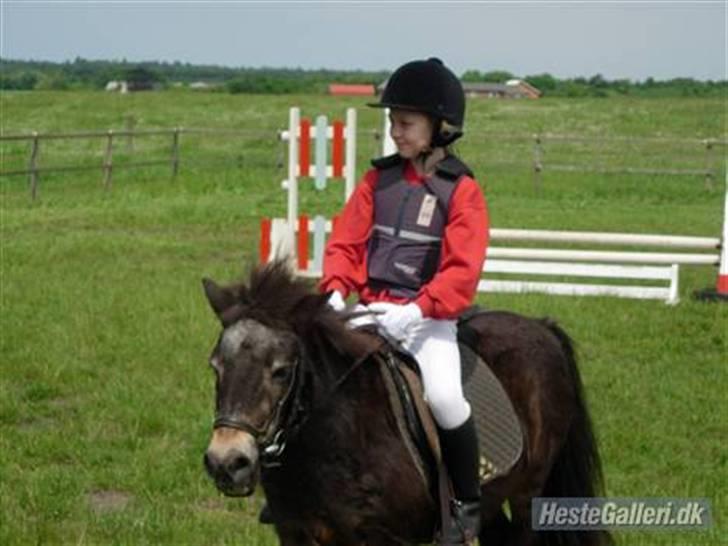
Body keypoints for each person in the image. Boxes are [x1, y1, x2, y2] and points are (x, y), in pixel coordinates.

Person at [320, 57, 489, 545]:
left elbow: (462, 269)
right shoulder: (378, 181)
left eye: (406, 123)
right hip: (370, 309)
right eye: (392, 121)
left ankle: (464, 506)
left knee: (444, 397)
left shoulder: (463, 191)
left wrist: (417, 310)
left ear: (439, 127)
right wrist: (335, 291)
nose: (395, 130)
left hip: (428, 320)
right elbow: (348, 242)